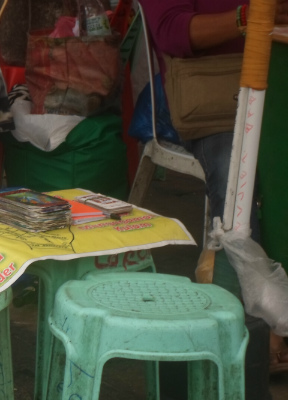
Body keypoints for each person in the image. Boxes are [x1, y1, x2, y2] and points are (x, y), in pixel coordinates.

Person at [139, 0, 288, 382]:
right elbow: (171, 31)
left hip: (280, 84)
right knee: (237, 174)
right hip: (219, 102)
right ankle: (260, 323)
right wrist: (246, 19)